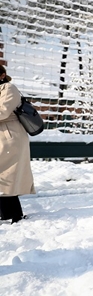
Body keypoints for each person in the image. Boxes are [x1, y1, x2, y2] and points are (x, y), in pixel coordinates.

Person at [0, 65, 34, 223]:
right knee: (4, 176)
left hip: (10, 137)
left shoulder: (9, 88)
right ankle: (8, 213)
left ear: (2, 75)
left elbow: (3, 111)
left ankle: (14, 214)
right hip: (3, 136)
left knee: (7, 175)